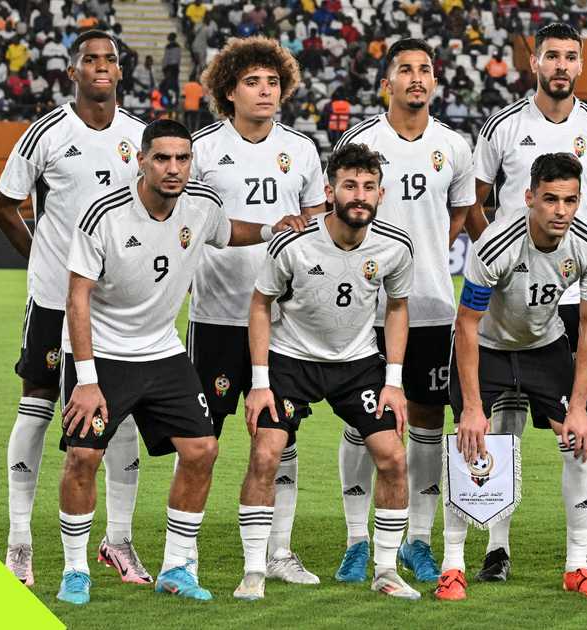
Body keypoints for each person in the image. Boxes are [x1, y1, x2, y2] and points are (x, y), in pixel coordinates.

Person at [55, 118, 294, 605]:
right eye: (162, 158)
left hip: (162, 353)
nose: (173, 168)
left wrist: (274, 227)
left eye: (182, 158)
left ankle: (177, 566)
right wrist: (86, 380)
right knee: (83, 456)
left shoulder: (202, 205)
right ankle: (75, 569)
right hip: (102, 355)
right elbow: (77, 298)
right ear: (140, 160)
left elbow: (227, 233)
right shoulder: (104, 213)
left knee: (202, 450)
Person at [0, 30, 149, 588]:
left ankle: (120, 541)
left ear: (120, 71)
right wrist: (44, 259)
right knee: (36, 404)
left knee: (121, 413)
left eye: (110, 60)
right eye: (90, 60)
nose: (101, 67)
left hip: (119, 308)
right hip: (56, 303)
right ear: (72, 71)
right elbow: (4, 205)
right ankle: (19, 543)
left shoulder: (140, 136)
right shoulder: (48, 133)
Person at [465, 21, 587, 583]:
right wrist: (501, 256)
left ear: (580, 66)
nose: (560, 65)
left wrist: (570, 256)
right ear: (535, 63)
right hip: (508, 288)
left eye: (570, 57)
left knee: (583, 412)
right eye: (551, 55)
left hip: (574, 288)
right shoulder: (504, 126)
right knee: (501, 411)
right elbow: (475, 202)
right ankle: (496, 545)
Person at [237, 142, 421, 601]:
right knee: (266, 453)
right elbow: (260, 305)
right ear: (329, 190)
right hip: (291, 360)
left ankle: (385, 570)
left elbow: (397, 308)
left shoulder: (396, 247)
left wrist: (394, 383)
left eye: (368, 187)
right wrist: (261, 383)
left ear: (381, 194)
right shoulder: (293, 243)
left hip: (357, 365)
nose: (359, 195)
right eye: (349, 185)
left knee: (394, 458)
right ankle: (255, 570)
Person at [331, 38, 476, 585]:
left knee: (426, 420)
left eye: (426, 69)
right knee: (360, 419)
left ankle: (417, 537)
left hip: (434, 304)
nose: (417, 78)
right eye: (406, 70)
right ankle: (355, 541)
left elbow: (458, 215)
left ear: (435, 80)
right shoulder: (360, 139)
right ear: (386, 82)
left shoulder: (453, 146)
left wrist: (425, 257)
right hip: (367, 307)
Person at [185, 36, 328, 583]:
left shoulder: (303, 150)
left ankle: (279, 551)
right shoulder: (200, 149)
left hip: (284, 321)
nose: (265, 91)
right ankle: (185, 553)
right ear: (228, 89)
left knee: (280, 439)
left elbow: (316, 227)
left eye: (273, 82)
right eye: (252, 82)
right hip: (218, 316)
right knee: (202, 438)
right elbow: (187, 226)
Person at [437, 153, 587, 601]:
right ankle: (452, 566)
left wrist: (578, 406)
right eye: (550, 199)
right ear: (529, 197)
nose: (561, 210)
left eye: (570, 200)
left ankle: (577, 566)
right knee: (469, 440)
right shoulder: (496, 244)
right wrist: (472, 408)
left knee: (579, 442)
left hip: (544, 348)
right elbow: (467, 325)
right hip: (489, 348)